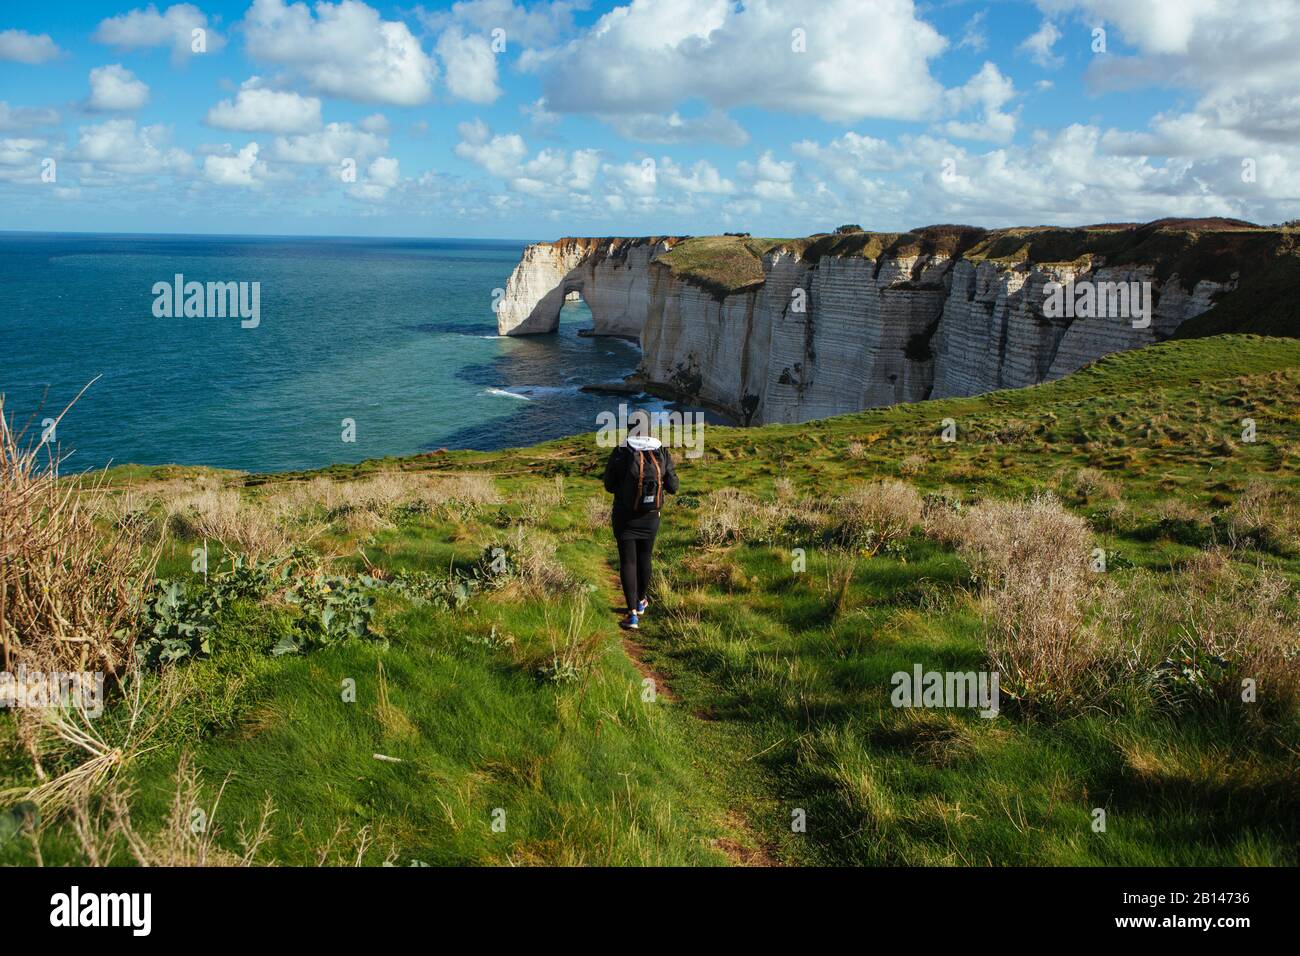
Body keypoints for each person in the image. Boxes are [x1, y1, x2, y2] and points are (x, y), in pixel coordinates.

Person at [602, 430, 678, 630]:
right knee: (645, 557)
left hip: (624, 515)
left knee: (628, 561)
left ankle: (632, 615)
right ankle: (641, 601)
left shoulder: (621, 450)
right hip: (651, 516)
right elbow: (673, 486)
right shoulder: (661, 450)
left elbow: (608, 485)